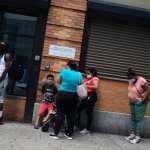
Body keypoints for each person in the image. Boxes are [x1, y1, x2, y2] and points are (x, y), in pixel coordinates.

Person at [50, 60, 83, 140]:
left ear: (68, 66)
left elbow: (57, 81)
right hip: (73, 96)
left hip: (62, 94)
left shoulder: (64, 72)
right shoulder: (79, 74)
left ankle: (56, 134)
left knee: (60, 114)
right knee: (71, 115)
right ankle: (69, 134)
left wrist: (64, 83)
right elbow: (81, 84)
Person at [126, 68, 149, 144]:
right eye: (128, 79)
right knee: (133, 118)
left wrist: (143, 99)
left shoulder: (142, 80)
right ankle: (133, 134)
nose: (129, 80)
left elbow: (148, 89)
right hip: (132, 102)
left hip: (139, 103)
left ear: (134, 76)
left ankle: (138, 137)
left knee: (139, 120)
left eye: (130, 78)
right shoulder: (131, 81)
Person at [77, 68, 99, 134]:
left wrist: (86, 85)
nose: (87, 74)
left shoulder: (95, 78)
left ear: (93, 73)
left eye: (89, 73)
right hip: (86, 95)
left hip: (91, 95)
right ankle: (77, 125)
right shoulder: (88, 79)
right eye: (87, 73)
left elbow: (95, 86)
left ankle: (87, 129)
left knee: (89, 112)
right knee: (78, 109)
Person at [0, 42, 12, 124]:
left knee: (0, 99)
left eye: (2, 46)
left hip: (2, 79)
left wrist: (1, 79)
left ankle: (0, 117)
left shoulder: (7, 55)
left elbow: (7, 69)